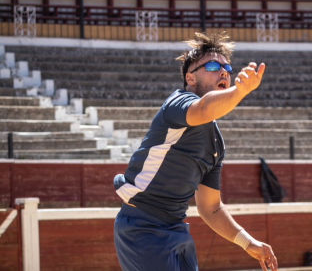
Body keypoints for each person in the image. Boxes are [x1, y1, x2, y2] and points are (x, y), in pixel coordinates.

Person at [113, 31, 278, 271]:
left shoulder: (215, 144)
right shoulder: (178, 103)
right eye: (212, 65)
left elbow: (210, 207)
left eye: (227, 68)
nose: (223, 71)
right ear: (190, 79)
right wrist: (240, 92)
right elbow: (203, 109)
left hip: (177, 228)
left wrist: (247, 242)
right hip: (142, 225)